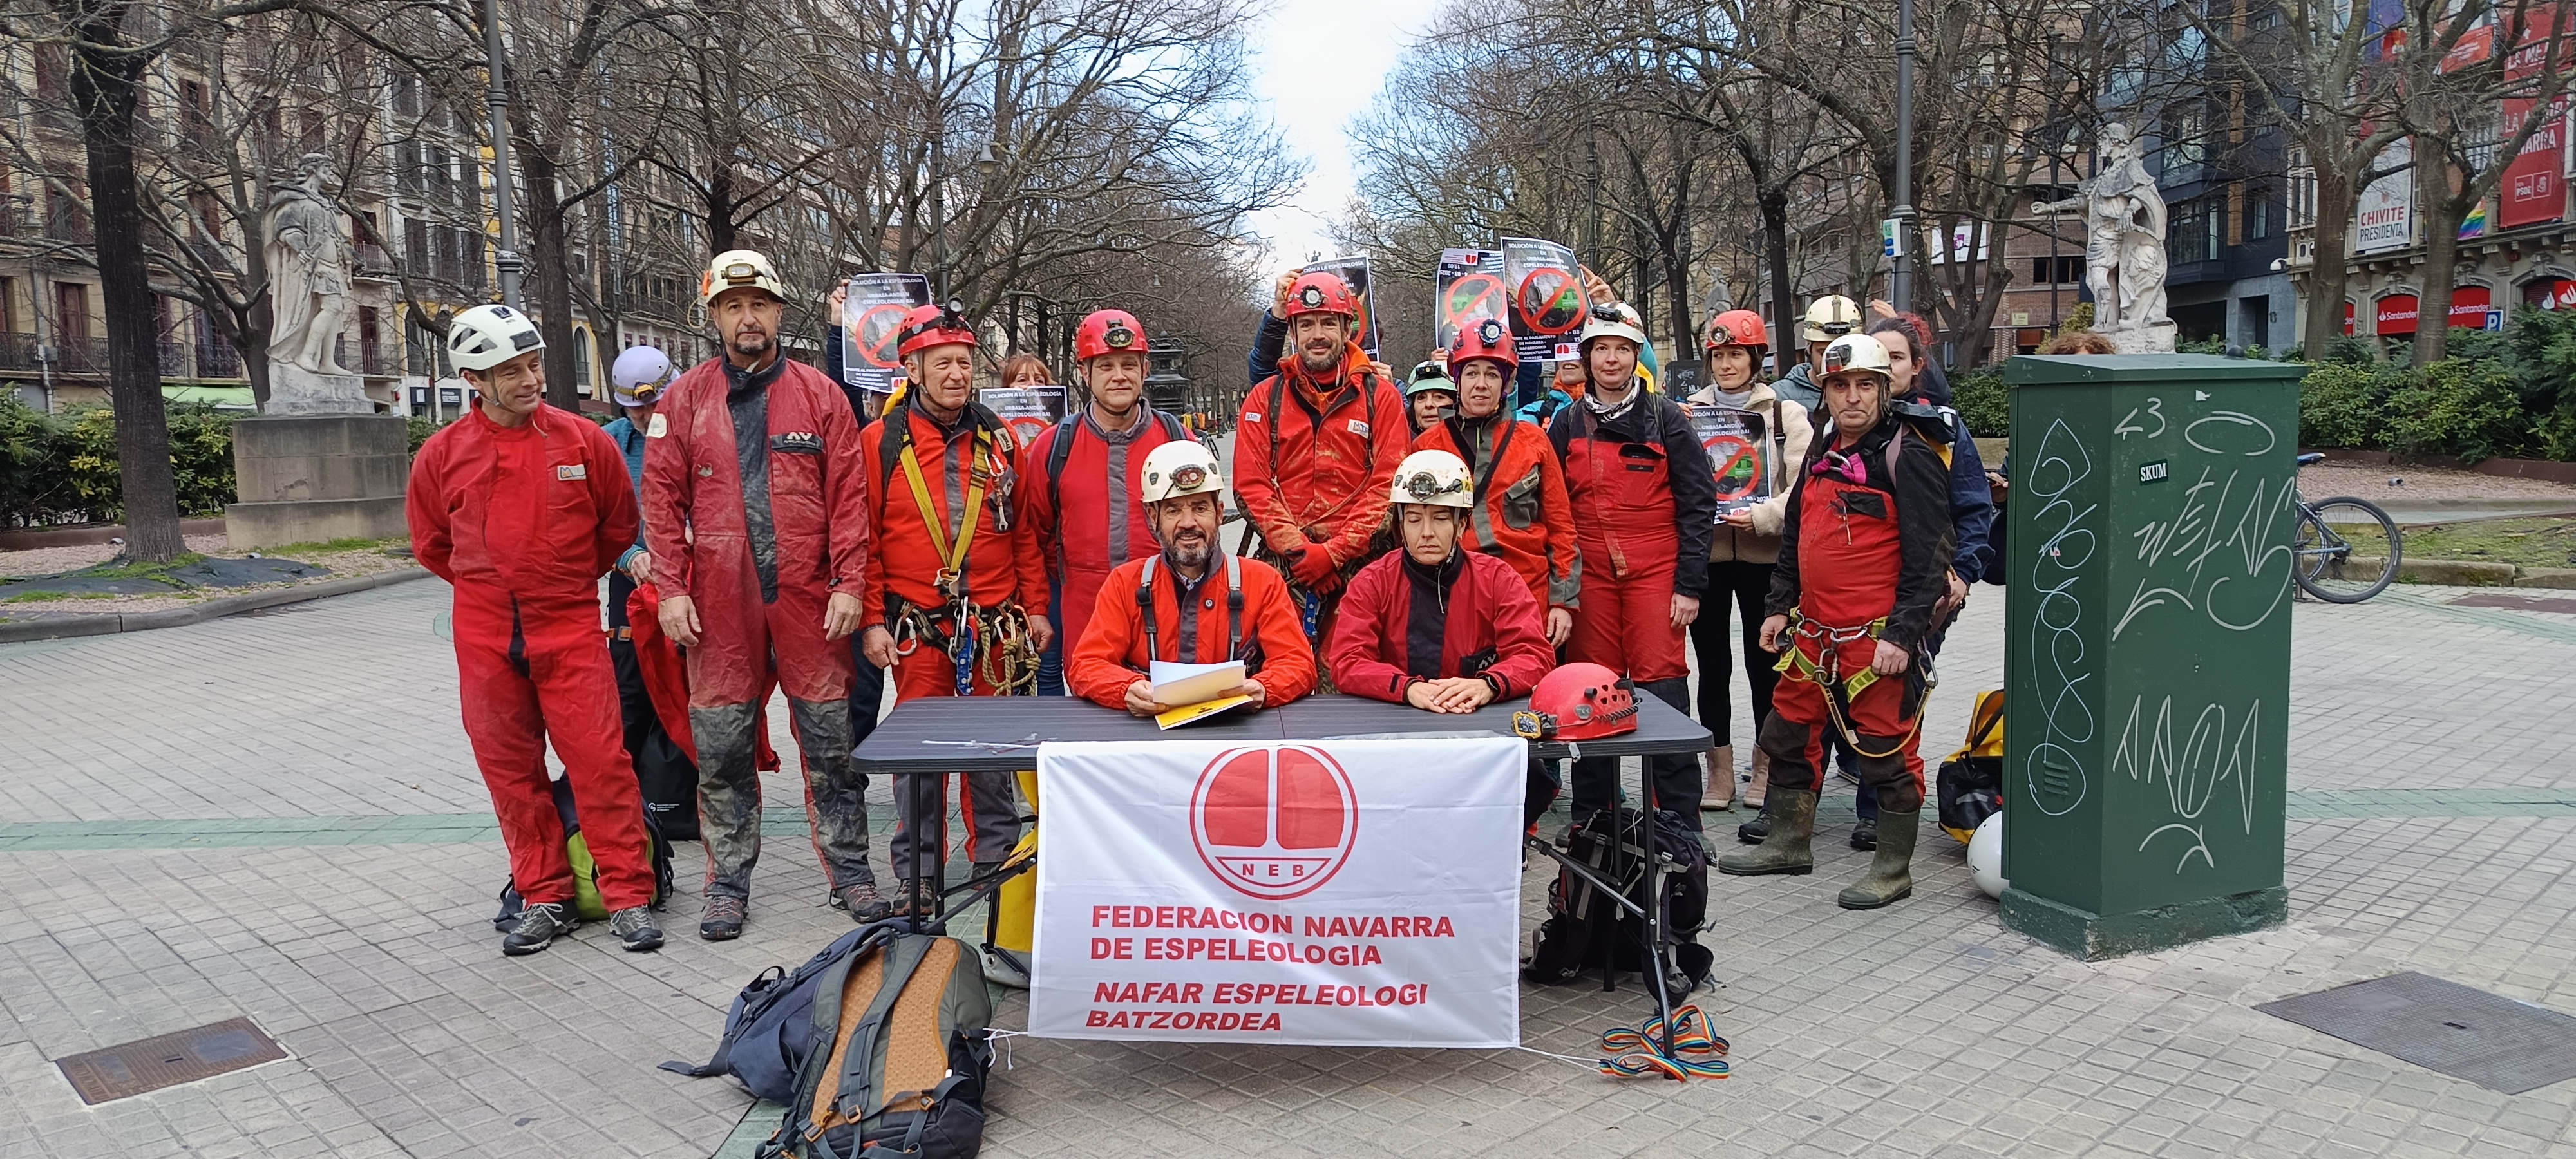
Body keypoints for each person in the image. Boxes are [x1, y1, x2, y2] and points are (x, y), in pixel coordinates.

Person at [407, 304, 663, 956]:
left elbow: (616, 526)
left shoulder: (583, 442)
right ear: (473, 379)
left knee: (601, 762)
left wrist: (560, 583)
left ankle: (627, 894)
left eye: (533, 365)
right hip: (485, 636)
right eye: (511, 371)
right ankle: (543, 893)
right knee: (510, 771)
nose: (530, 381)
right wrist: (493, 590)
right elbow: (432, 544)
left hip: (569, 625)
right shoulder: (442, 455)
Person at [643, 249, 880, 940]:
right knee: (721, 750)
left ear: (778, 311)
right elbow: (660, 501)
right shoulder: (684, 400)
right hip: (719, 602)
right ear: (714, 316)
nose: (747, 318)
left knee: (832, 746)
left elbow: (850, 498)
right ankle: (726, 884)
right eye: (732, 307)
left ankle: (852, 873)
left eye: (758, 305)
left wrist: (850, 582)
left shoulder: (820, 395)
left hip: (810, 598)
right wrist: (671, 590)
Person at [1719, 334, 1953, 910]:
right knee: (1787, 737)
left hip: (1876, 642)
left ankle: (1893, 870)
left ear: (1884, 389)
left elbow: (1931, 558)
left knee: (1888, 752)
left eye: (1865, 385)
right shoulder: (1823, 447)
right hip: (1813, 637)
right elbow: (1797, 536)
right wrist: (1778, 607)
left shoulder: (1910, 454)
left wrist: (1902, 636)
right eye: (1840, 385)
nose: (1853, 397)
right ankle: (1787, 843)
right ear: (1824, 390)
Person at [856, 301, 1050, 916]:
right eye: (941, 363)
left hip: (993, 628)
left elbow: (1024, 535)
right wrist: (871, 620)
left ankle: (996, 861)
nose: (956, 374)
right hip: (918, 627)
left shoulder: (1001, 441)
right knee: (919, 757)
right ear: (912, 369)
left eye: (964, 362)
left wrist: (1036, 608)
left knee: (991, 754)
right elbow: (865, 540)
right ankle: (919, 873)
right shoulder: (880, 444)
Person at [1548, 303, 1718, 829]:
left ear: (1636, 356)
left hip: (1655, 570)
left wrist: (1689, 584)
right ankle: (1593, 817)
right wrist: (1561, 588)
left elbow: (1699, 503)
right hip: (1591, 576)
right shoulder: (1566, 422)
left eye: (1622, 349)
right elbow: (1552, 505)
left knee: (1661, 686)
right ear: (1587, 357)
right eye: (1601, 349)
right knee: (1592, 691)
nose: (1612, 359)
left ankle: (1681, 822)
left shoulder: (1667, 419)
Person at [1326, 449, 1560, 824]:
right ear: (1399, 525)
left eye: (1439, 518)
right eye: (1414, 519)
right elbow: (1347, 662)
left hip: (1479, 746)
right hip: (1392, 744)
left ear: (1462, 523)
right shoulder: (1372, 582)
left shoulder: (1498, 580)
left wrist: (1489, 684)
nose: (1427, 533)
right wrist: (1408, 689)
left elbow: (1535, 655)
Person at [1231, 270, 1409, 661]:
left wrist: (1333, 554)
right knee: (1277, 675)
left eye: (1328, 323)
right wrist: (1299, 551)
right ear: (1293, 331)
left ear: (1347, 329)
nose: (1318, 335)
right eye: (1307, 324)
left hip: (1363, 569)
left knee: (1351, 677)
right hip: (1285, 568)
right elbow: (1251, 485)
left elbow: (1388, 485)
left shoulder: (1382, 398)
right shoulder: (1265, 398)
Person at [1068, 441, 1317, 712]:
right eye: (1173, 510)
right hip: (1148, 730)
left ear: (1219, 513)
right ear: (1153, 517)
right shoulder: (1124, 584)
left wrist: (1264, 688)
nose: (1188, 523)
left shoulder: (1262, 581)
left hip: (1237, 730)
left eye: (1200, 508)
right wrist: (1125, 688)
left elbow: (1298, 665)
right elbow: (1087, 665)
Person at [1019, 308, 1194, 686]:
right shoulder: (1053, 448)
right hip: (1086, 612)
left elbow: (1202, 529)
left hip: (1168, 610)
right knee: (1092, 710)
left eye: (1129, 364)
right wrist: (1040, 605)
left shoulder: (1177, 440)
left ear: (1145, 369)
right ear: (1084, 373)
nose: (1119, 376)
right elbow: (1033, 537)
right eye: (1105, 366)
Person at [1684, 308, 1812, 815]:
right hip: (1710, 555)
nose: (1727, 364)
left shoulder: (1786, 414)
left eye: (1737, 354)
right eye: (1719, 355)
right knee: (1712, 666)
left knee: (1767, 667)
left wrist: (1762, 516)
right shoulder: (1688, 413)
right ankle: (1718, 768)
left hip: (1766, 557)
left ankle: (1765, 764)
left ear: (1756, 358)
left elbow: (1803, 487)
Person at [1412, 316, 1578, 645]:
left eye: (1492, 374)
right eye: (1471, 373)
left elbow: (1561, 528)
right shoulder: (1426, 447)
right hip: (1453, 596)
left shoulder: (1533, 441)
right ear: (1457, 380)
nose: (1481, 384)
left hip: (1527, 596)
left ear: (1506, 383)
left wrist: (1563, 603)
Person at [600, 345, 699, 839]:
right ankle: (623, 811)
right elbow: (591, 520)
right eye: (634, 408)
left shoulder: (703, 434)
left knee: (695, 694)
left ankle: (691, 802)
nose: (644, 416)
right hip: (634, 586)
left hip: (699, 580)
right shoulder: (609, 445)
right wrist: (630, 556)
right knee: (631, 695)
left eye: (653, 404)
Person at [824, 281, 892, 750]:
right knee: (862, 695)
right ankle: (852, 775)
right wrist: (839, 332)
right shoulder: (863, 439)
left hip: (918, 585)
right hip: (866, 579)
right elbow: (842, 393)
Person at [1771, 294, 1862, 413]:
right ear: (1809, 347)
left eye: (1842, 352)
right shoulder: (1778, 396)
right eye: (1824, 352)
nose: (1833, 360)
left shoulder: (1871, 391)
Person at [1404, 361, 1457, 435]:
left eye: (1439, 397)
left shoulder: (1471, 440)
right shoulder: (1400, 441)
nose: (1429, 404)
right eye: (1421, 398)